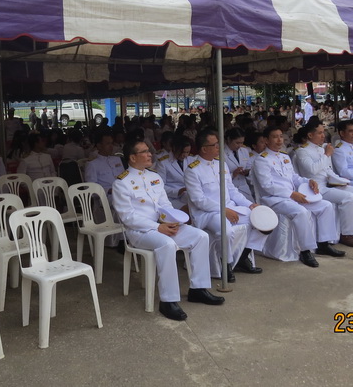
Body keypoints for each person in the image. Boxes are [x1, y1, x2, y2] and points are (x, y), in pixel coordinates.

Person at [112, 140, 224, 321]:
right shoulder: (121, 183)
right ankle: (168, 300)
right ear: (132, 158)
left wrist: (172, 220)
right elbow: (128, 218)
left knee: (201, 236)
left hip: (163, 226)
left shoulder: (154, 177)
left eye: (149, 151)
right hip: (141, 232)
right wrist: (157, 227)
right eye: (144, 152)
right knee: (167, 244)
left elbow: (165, 204)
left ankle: (198, 289)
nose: (150, 154)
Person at [252, 126, 343, 267]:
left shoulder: (284, 156)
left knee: (326, 206)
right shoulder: (261, 160)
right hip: (274, 199)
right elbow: (267, 186)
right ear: (266, 140)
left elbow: (294, 177)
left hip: (293, 195)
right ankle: (305, 251)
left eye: (281, 136)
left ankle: (324, 244)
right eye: (275, 137)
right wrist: (291, 194)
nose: (279, 140)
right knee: (301, 212)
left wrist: (308, 181)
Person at [184, 129, 266, 281]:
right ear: (204, 149)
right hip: (207, 213)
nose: (219, 147)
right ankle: (226, 264)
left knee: (261, 220)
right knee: (226, 231)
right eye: (215, 145)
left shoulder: (221, 164)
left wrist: (250, 205)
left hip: (229, 207)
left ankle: (243, 258)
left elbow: (232, 190)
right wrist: (223, 210)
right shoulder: (193, 170)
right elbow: (199, 200)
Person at [293, 121, 353, 248]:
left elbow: (328, 170)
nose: (323, 135)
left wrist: (340, 180)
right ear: (310, 135)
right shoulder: (302, 151)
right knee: (348, 197)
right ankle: (347, 234)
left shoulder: (321, 149)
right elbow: (312, 170)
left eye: (323, 132)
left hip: (329, 184)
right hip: (315, 188)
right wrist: (327, 155)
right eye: (319, 133)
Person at [154, 135, 193, 210]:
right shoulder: (163, 163)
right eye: (182, 152)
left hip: (188, 195)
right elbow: (160, 186)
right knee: (188, 209)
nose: (185, 155)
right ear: (174, 148)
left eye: (187, 152)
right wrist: (178, 191)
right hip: (172, 197)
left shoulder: (191, 159)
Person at [84, 131, 125, 197]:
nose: (111, 146)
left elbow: (124, 177)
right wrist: (108, 190)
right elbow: (90, 189)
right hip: (107, 198)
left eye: (112, 143)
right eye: (108, 144)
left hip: (123, 193)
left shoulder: (117, 159)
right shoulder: (92, 164)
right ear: (99, 146)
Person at [223, 127, 254, 202]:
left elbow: (249, 166)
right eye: (237, 143)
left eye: (242, 143)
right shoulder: (221, 153)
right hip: (229, 188)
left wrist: (247, 172)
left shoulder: (244, 151)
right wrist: (233, 174)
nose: (240, 145)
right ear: (229, 140)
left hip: (243, 186)